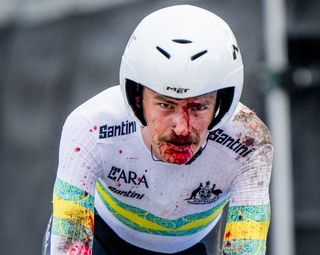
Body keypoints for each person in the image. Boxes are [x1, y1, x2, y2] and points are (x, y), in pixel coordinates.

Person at [43, 4, 273, 255]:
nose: (182, 128)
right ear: (137, 97)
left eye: (198, 107)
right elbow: (67, 246)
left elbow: (246, 249)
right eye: (165, 104)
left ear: (223, 102)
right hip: (103, 238)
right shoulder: (91, 126)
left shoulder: (248, 141)